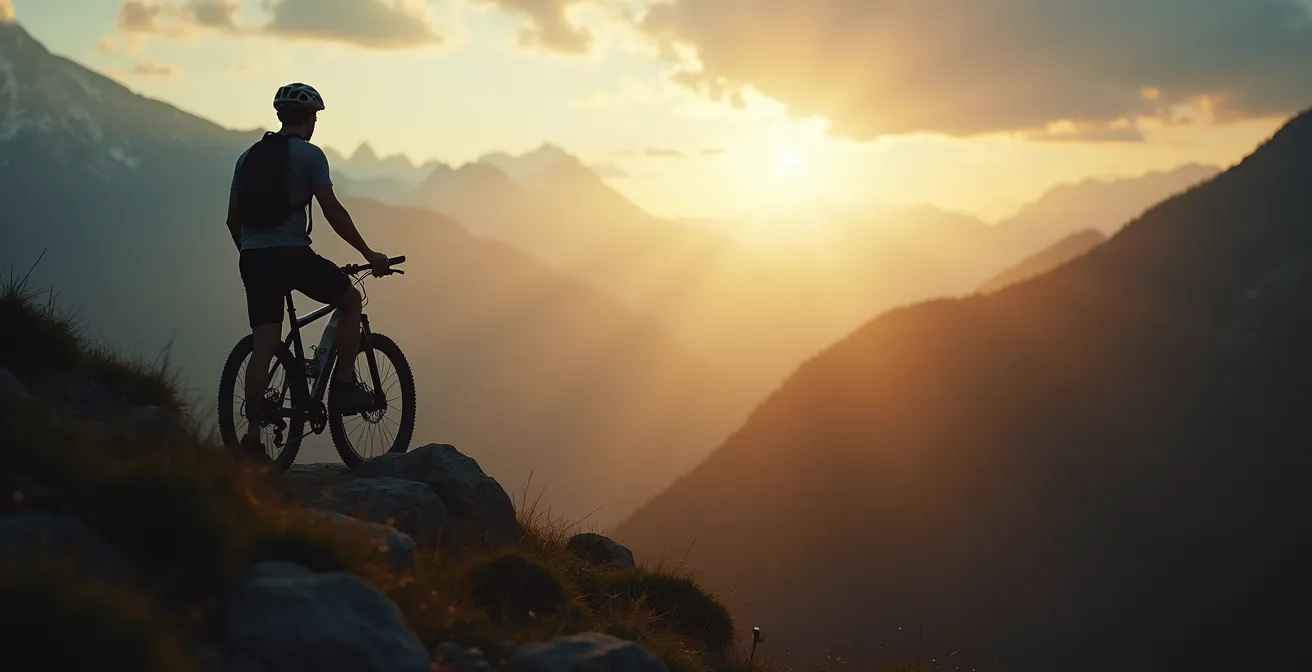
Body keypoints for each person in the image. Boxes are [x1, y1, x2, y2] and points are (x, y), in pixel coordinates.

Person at [225, 82, 391, 461]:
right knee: (349, 299)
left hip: (252, 258)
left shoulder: (247, 157)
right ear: (311, 119)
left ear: (281, 116)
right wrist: (368, 252)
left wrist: (251, 255)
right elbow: (332, 211)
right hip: (292, 255)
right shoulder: (311, 156)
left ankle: (251, 437)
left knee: (264, 344)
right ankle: (345, 386)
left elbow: (232, 220)